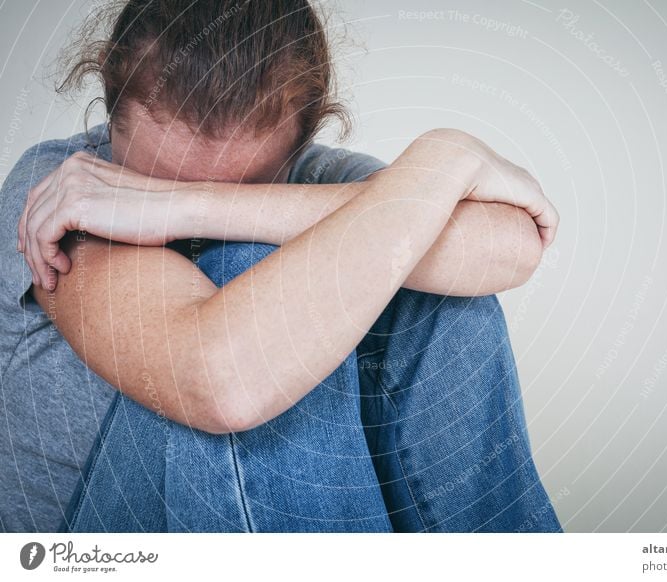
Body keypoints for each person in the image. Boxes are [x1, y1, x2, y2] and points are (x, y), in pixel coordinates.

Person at [1, 0, 561, 532]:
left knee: (431, 288)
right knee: (260, 277)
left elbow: (509, 244)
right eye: (153, 183)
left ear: (299, 144)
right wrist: (445, 165)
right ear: (109, 107)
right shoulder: (62, 189)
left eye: (246, 185)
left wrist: (184, 205)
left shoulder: (318, 176)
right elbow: (221, 382)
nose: (175, 214)